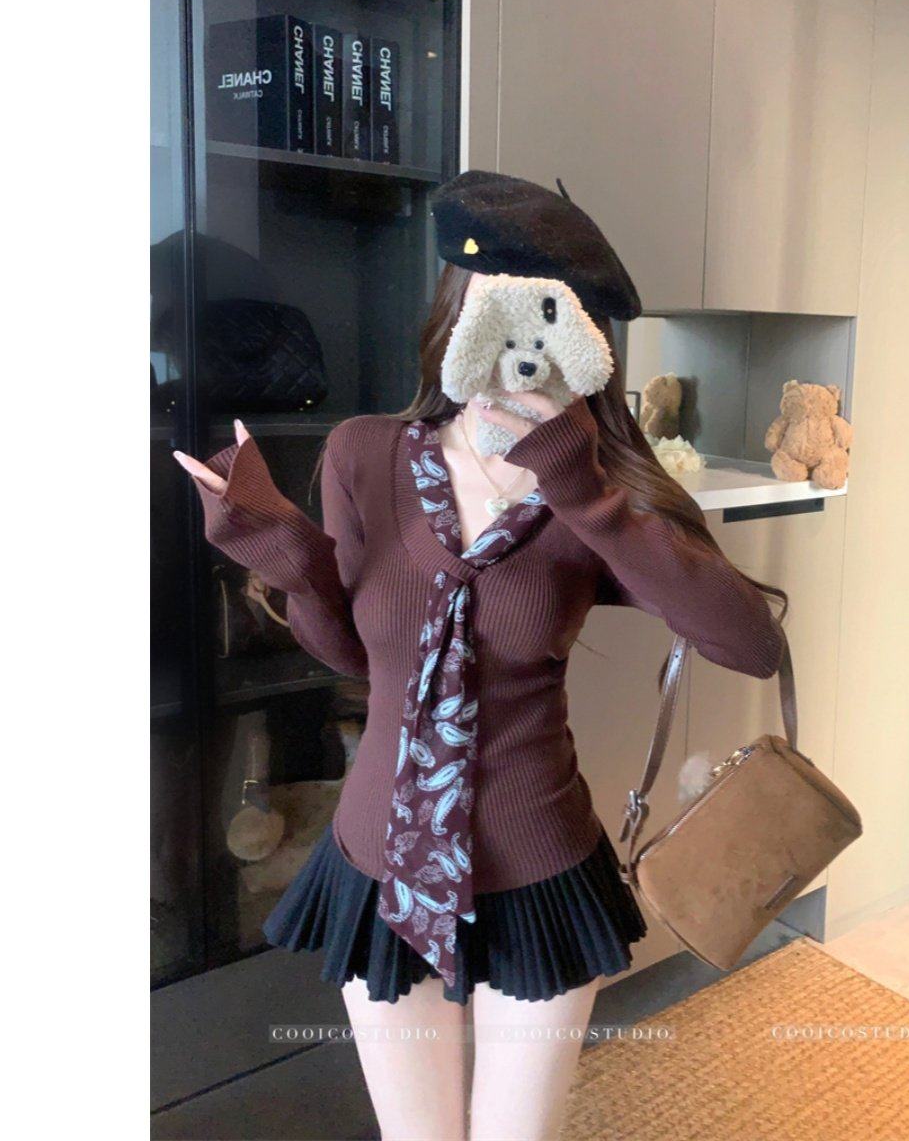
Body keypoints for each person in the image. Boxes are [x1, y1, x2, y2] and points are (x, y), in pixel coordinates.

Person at [175, 171, 785, 1141]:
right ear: (458, 316)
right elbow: (358, 662)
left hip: (540, 867)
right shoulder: (365, 454)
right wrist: (284, 553)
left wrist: (580, 484)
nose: (517, 351)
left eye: (546, 320)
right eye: (495, 314)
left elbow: (748, 643)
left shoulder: (596, 489)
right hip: (383, 861)